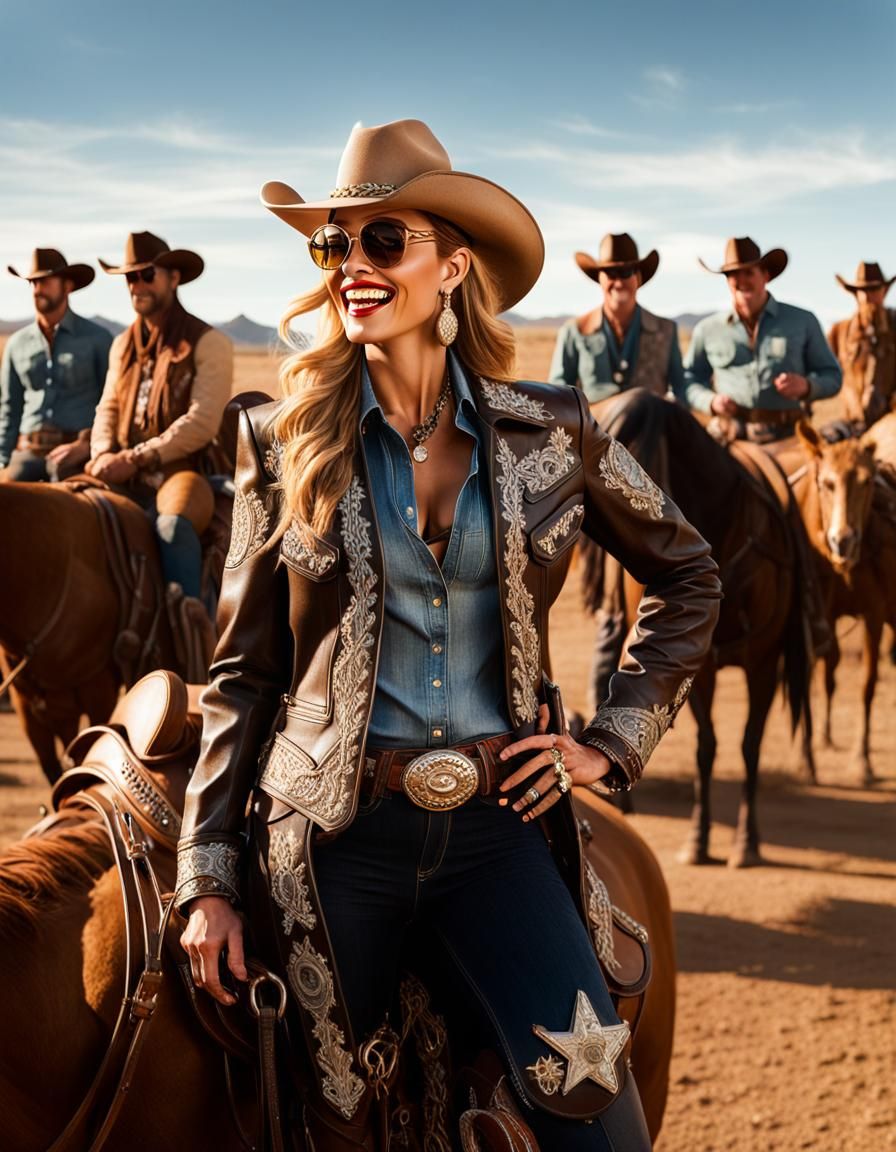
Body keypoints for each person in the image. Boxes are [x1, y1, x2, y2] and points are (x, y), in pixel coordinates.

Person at [175, 119, 721, 1151]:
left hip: (498, 834)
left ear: (452, 266)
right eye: (332, 247)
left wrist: (608, 744)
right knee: (329, 1129)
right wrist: (206, 872)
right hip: (328, 844)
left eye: (384, 242)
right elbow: (242, 673)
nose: (351, 269)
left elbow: (688, 572)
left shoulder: (554, 430)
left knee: (602, 1132)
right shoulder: (276, 442)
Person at [86, 231, 233, 600]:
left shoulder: (208, 341)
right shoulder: (122, 345)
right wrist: (102, 452)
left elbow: (201, 422)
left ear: (173, 278)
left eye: (146, 274)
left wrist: (138, 457)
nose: (137, 285)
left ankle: (190, 631)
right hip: (121, 468)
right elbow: (108, 406)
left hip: (182, 472)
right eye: (129, 277)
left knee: (172, 528)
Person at [677, 236, 841, 442]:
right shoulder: (707, 330)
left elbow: (833, 377)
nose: (741, 280)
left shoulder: (803, 321)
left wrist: (807, 386)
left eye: (749, 272)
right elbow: (687, 379)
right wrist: (710, 401)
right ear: (727, 281)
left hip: (790, 435)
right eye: (733, 274)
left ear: (766, 275)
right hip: (729, 436)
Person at [1, 248, 112, 481]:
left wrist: (90, 444)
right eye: (32, 282)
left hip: (80, 451)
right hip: (29, 452)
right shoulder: (17, 343)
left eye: (44, 281)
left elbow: (113, 403)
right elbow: (10, 408)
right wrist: (3, 459)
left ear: (67, 285)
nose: (37, 289)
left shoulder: (98, 340)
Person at [549, 233, 684, 401]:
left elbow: (681, 391)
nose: (619, 283)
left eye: (626, 272)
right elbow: (557, 395)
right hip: (594, 423)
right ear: (600, 277)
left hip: (651, 424)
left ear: (638, 277)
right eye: (610, 273)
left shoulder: (667, 331)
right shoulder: (574, 331)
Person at [828, 261, 896, 429]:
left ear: (884, 291)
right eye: (861, 291)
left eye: (872, 290)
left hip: (890, 427)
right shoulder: (839, 332)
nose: (866, 297)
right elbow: (825, 374)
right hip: (852, 423)